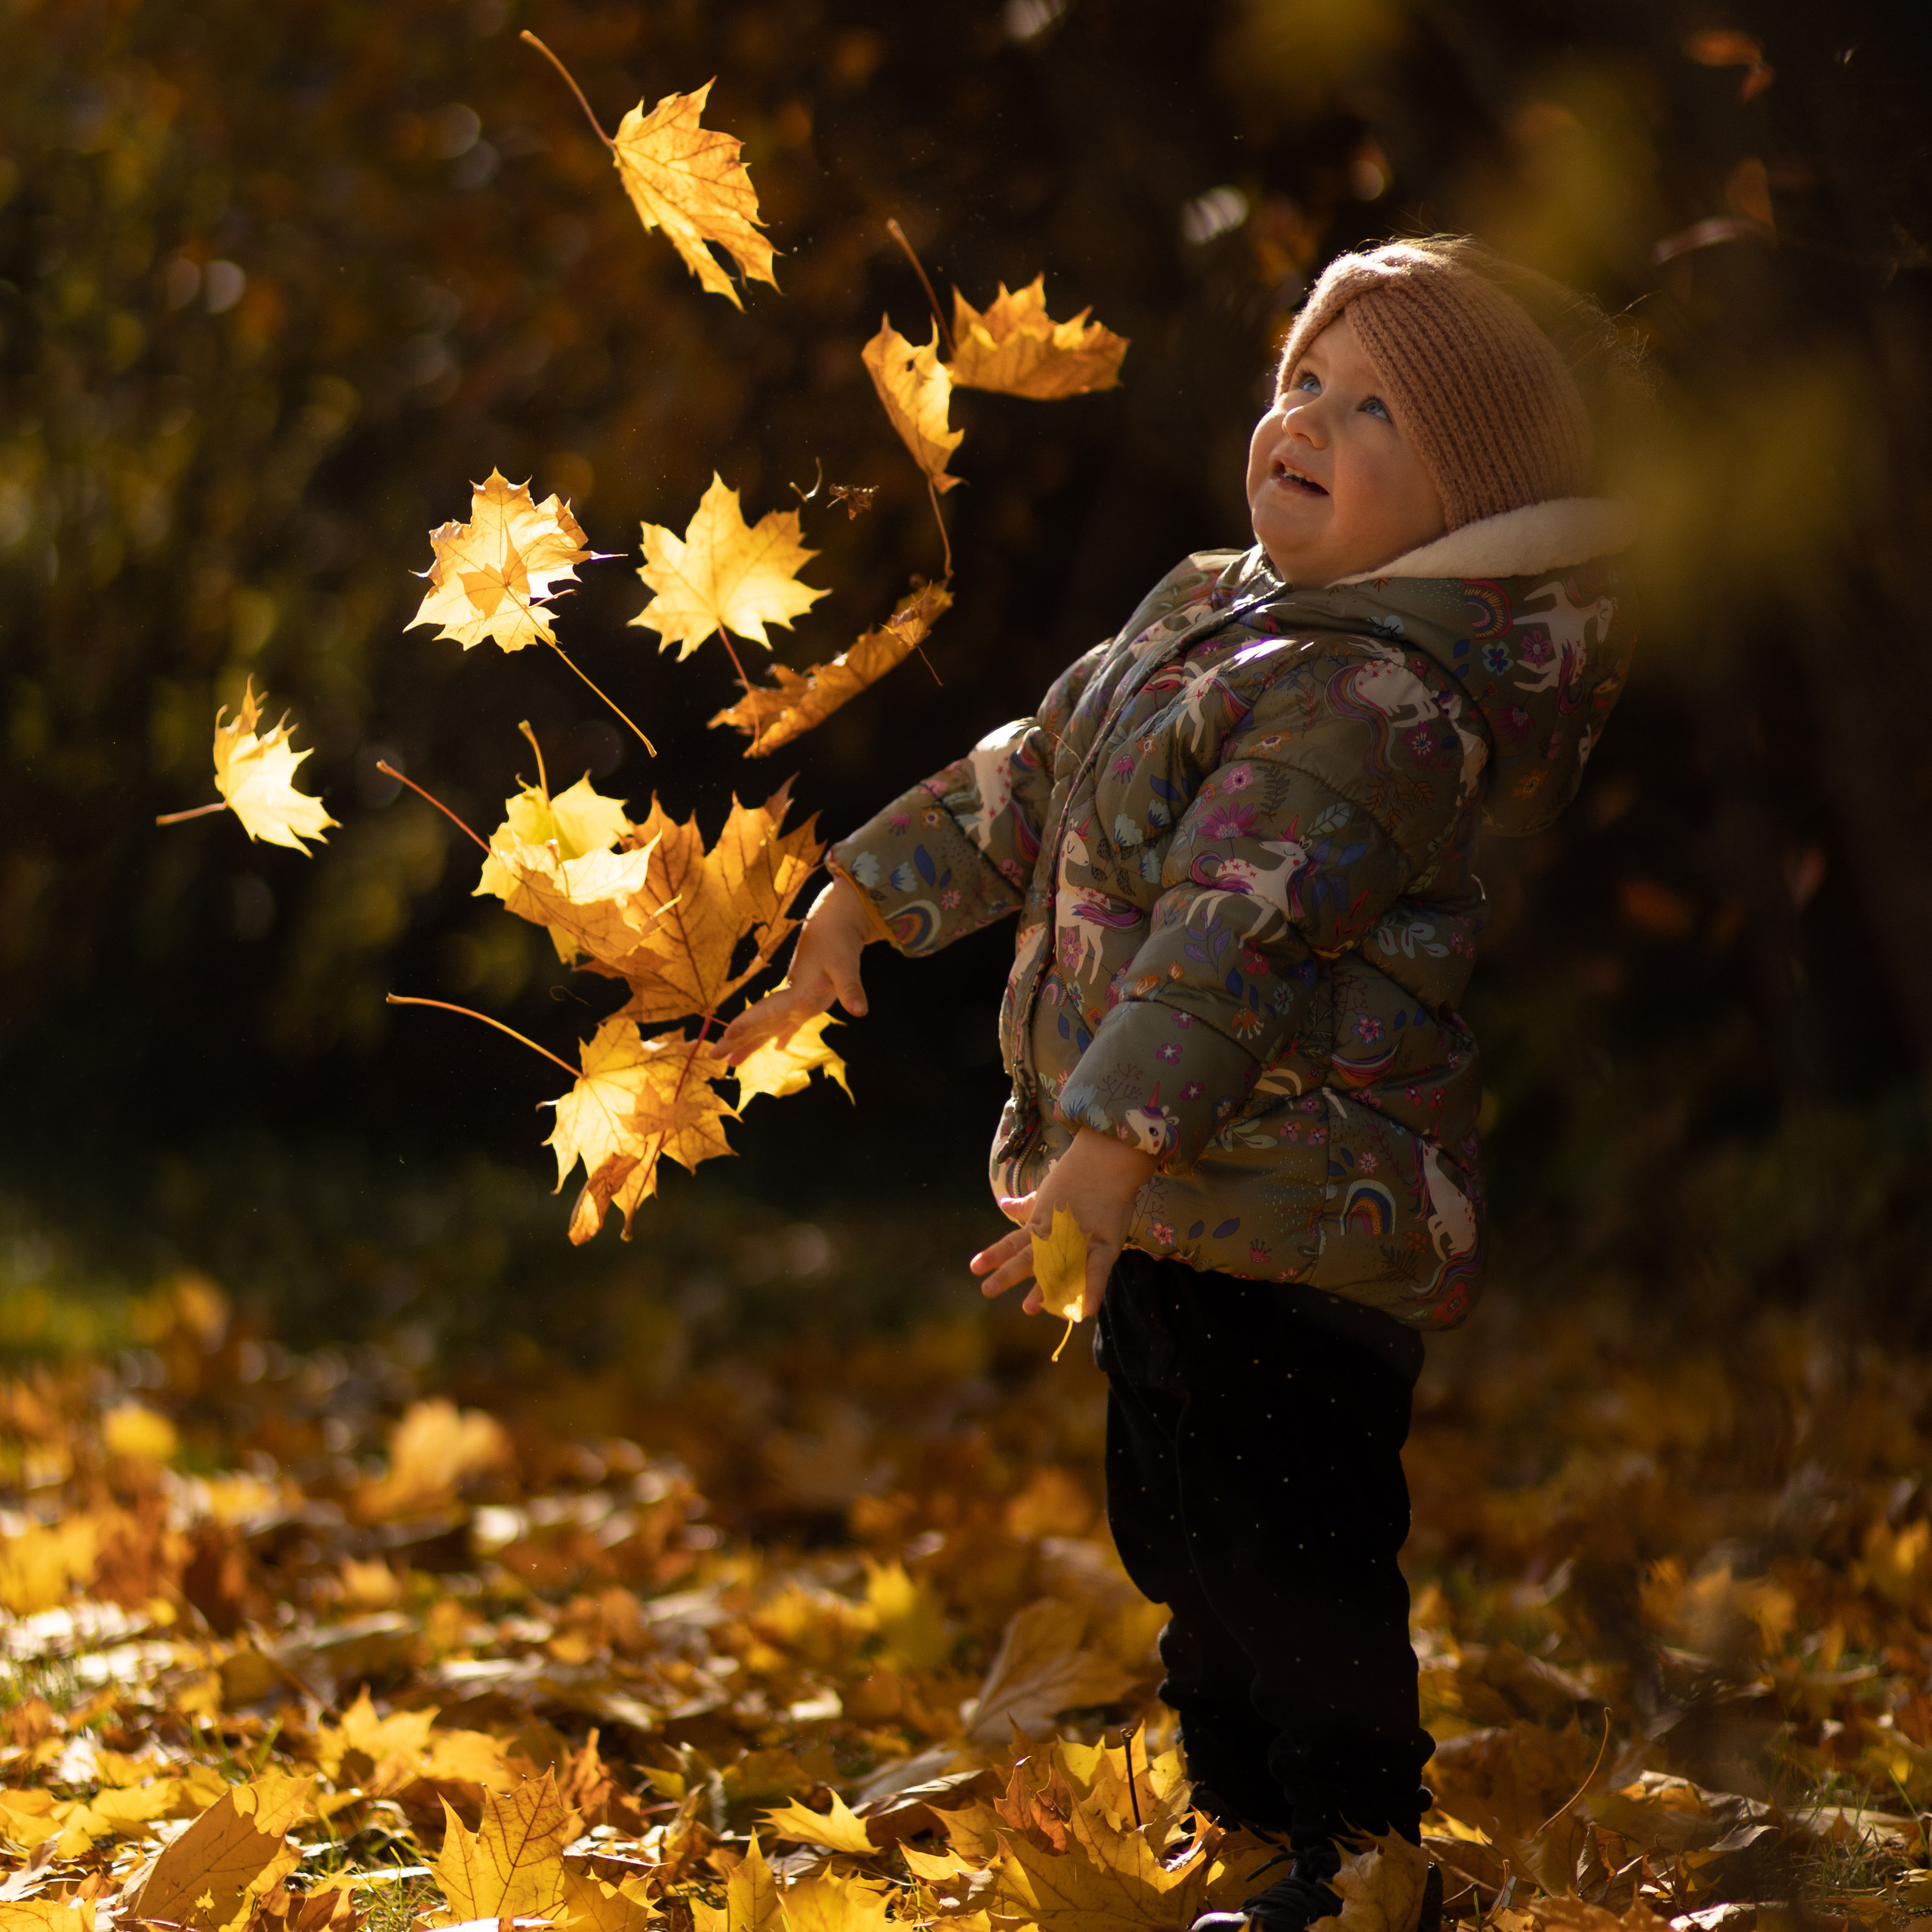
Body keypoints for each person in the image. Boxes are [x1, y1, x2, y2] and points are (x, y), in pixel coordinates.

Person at [719, 236, 1644, 1932]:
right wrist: (867, 892)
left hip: (1305, 1214)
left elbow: (1227, 945)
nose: (1306, 414)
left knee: (1288, 1540)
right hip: (1167, 1203)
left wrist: (1103, 1150)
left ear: (1456, 511)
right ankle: (1248, 1827)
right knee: (1180, 1527)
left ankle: (1357, 1858)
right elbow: (1032, 767)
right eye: (1302, 378)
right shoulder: (1206, 608)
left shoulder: (1376, 697)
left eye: (1373, 409)